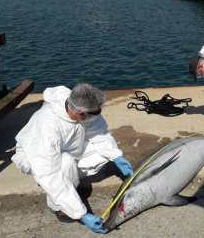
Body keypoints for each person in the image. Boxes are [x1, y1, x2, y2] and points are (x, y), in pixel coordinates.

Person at [11, 83, 133, 233]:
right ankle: (57, 206)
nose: (99, 113)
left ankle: (74, 183)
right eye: (97, 112)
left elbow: (98, 132)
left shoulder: (80, 107)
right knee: (65, 164)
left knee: (101, 155)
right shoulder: (47, 127)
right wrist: (81, 214)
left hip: (69, 146)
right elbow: (51, 174)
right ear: (82, 114)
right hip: (36, 156)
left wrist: (116, 156)